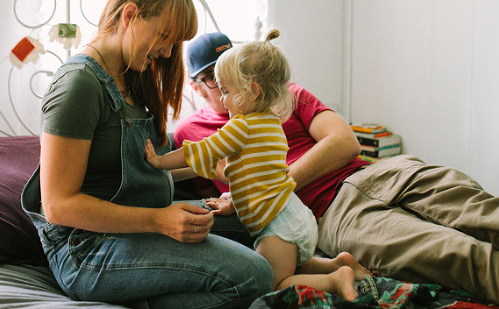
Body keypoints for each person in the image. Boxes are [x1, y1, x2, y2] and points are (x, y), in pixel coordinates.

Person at [174, 31, 499, 309]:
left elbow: (343, 140)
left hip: (379, 172)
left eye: (232, 72)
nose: (227, 87)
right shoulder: (194, 131)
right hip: (332, 215)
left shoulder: (284, 93)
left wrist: (279, 181)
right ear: (196, 85)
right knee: (466, 259)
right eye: (213, 78)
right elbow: (218, 183)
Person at [20, 0, 273, 309]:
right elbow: (58, 205)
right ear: (130, 16)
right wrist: (159, 221)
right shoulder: (79, 84)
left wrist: (214, 169)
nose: (168, 53)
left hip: (142, 221)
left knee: (260, 217)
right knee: (254, 274)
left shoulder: (132, 75)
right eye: (165, 37)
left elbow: (144, 167)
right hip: (89, 248)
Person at [146, 30, 369, 302]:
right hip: (294, 215)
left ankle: (334, 280)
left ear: (252, 89)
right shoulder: (271, 120)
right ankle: (337, 263)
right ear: (197, 85)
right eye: (216, 84)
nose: (224, 97)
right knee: (292, 264)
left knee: (271, 281)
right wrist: (235, 200)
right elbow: (249, 172)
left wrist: (158, 162)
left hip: (278, 223)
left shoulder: (239, 126)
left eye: (227, 89)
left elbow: (200, 153)